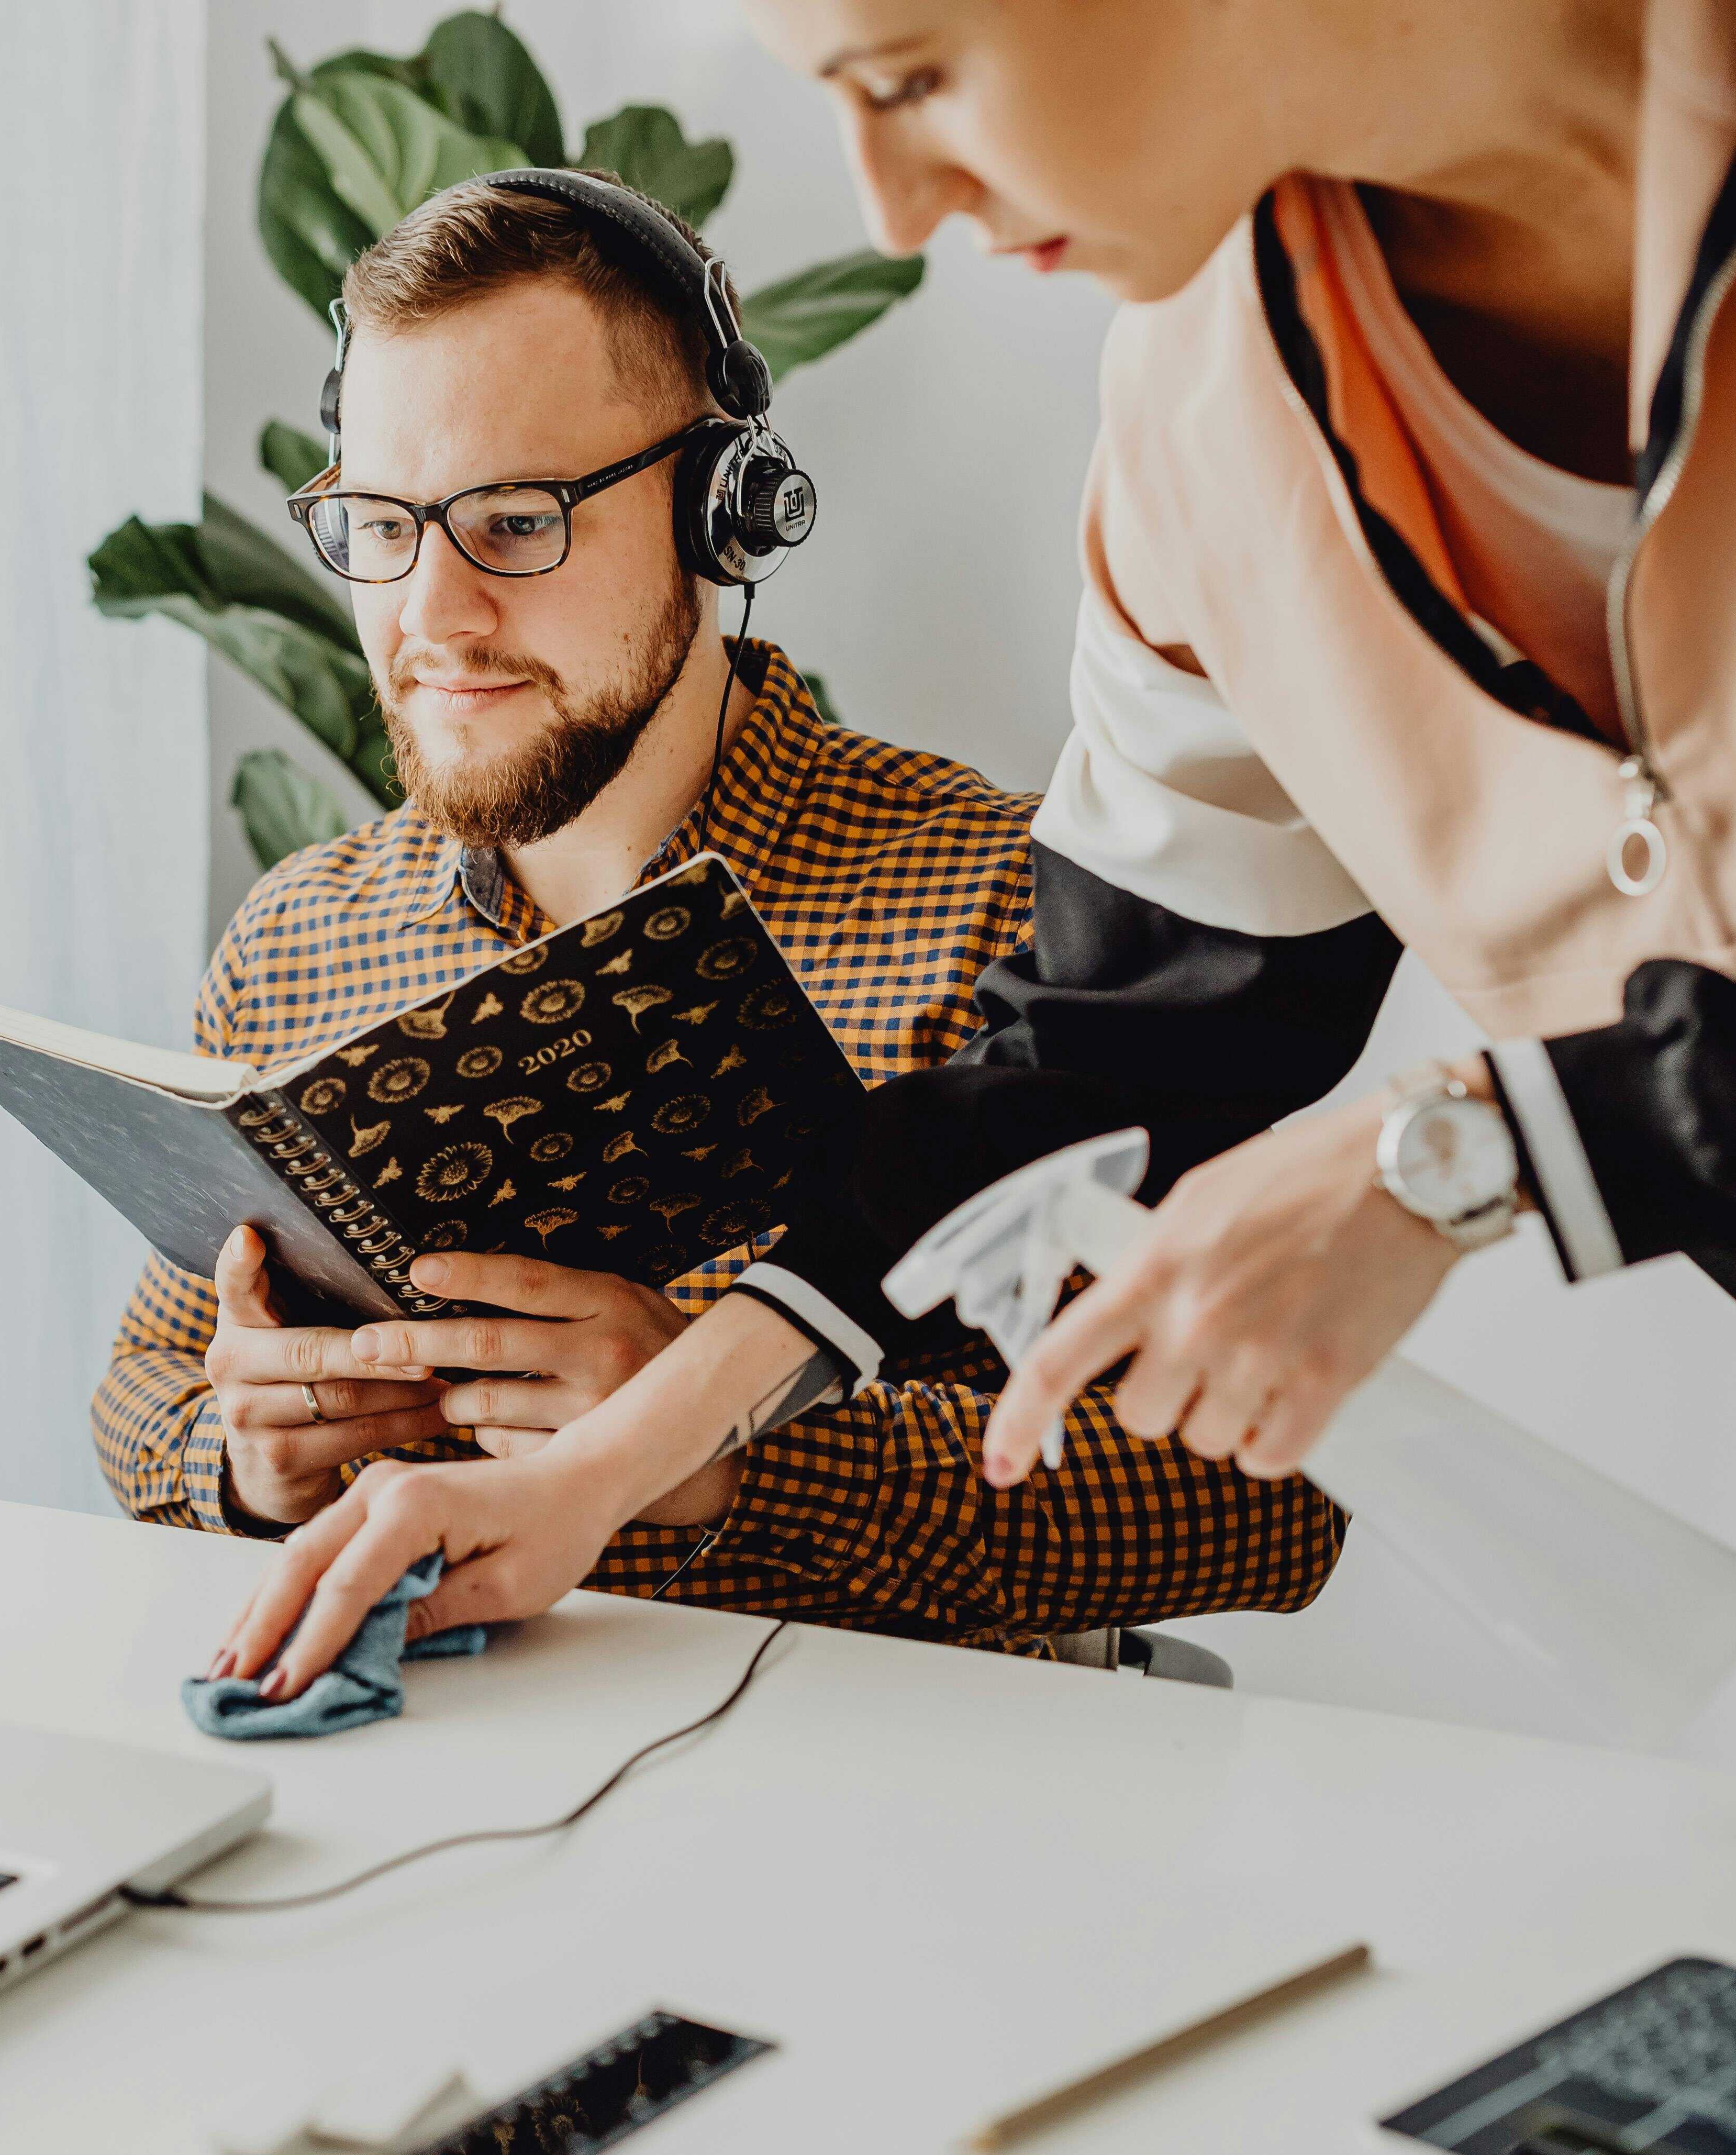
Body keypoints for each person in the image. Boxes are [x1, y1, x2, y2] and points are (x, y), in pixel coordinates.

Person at [222, 2, 1736, 2155]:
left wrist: (1464, 1151)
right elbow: (1118, 1031)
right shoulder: (1202, 403)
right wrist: (618, 1456)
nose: (890, 204)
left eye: (910, 74)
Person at [107, 173, 1340, 1665]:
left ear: (723, 514)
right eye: (379, 523)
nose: (431, 615)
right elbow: (144, 1394)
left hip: (879, 1842)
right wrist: (248, 1461)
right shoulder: (299, 937)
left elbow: (1252, 1506)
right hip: (431, 1808)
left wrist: (720, 1454)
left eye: (512, 520)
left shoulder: (1017, 911)